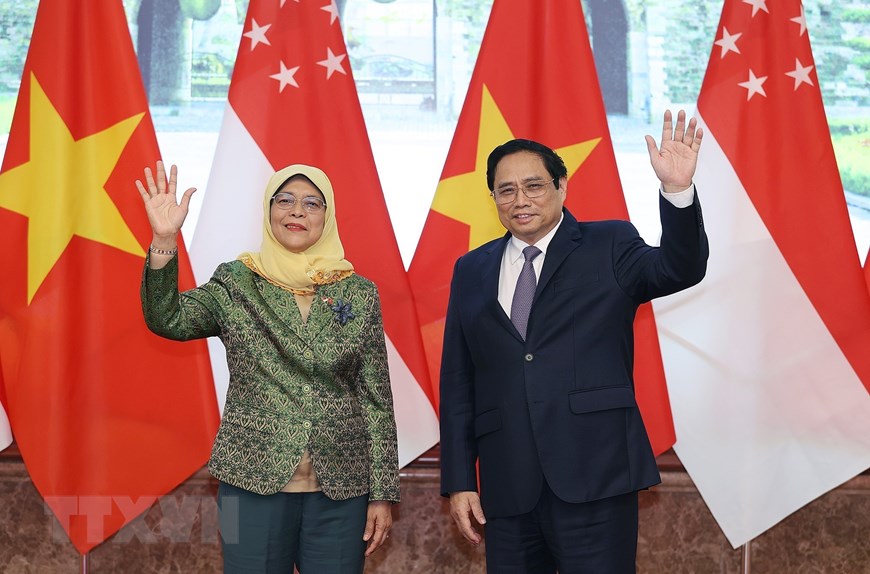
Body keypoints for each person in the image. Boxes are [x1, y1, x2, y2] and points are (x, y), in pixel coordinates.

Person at [440, 110, 709, 573]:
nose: (520, 199)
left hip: (596, 476)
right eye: (506, 190)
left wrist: (677, 191)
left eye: (534, 185)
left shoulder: (610, 243)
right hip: (507, 486)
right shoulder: (471, 269)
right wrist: (460, 480)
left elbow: (680, 268)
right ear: (494, 198)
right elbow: (458, 382)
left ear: (561, 186)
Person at [136, 161, 399, 573]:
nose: (297, 211)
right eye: (285, 200)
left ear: (327, 216)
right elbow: (168, 318)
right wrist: (164, 239)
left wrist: (382, 492)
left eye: (312, 203)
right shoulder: (237, 282)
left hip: (342, 491)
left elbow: (376, 399)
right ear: (269, 210)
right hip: (252, 483)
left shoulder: (358, 292)